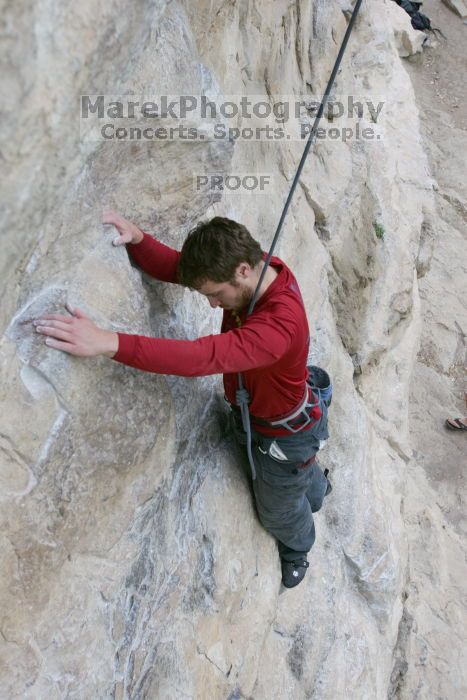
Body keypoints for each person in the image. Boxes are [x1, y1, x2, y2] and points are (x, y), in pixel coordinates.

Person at [32, 210, 332, 589]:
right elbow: (182, 269)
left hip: (283, 438)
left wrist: (109, 342)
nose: (212, 306)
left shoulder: (277, 328)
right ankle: (317, 488)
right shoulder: (259, 271)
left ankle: (299, 546)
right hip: (283, 421)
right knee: (300, 476)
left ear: (242, 270)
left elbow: (201, 357)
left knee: (278, 509)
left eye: (215, 296)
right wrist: (141, 241)